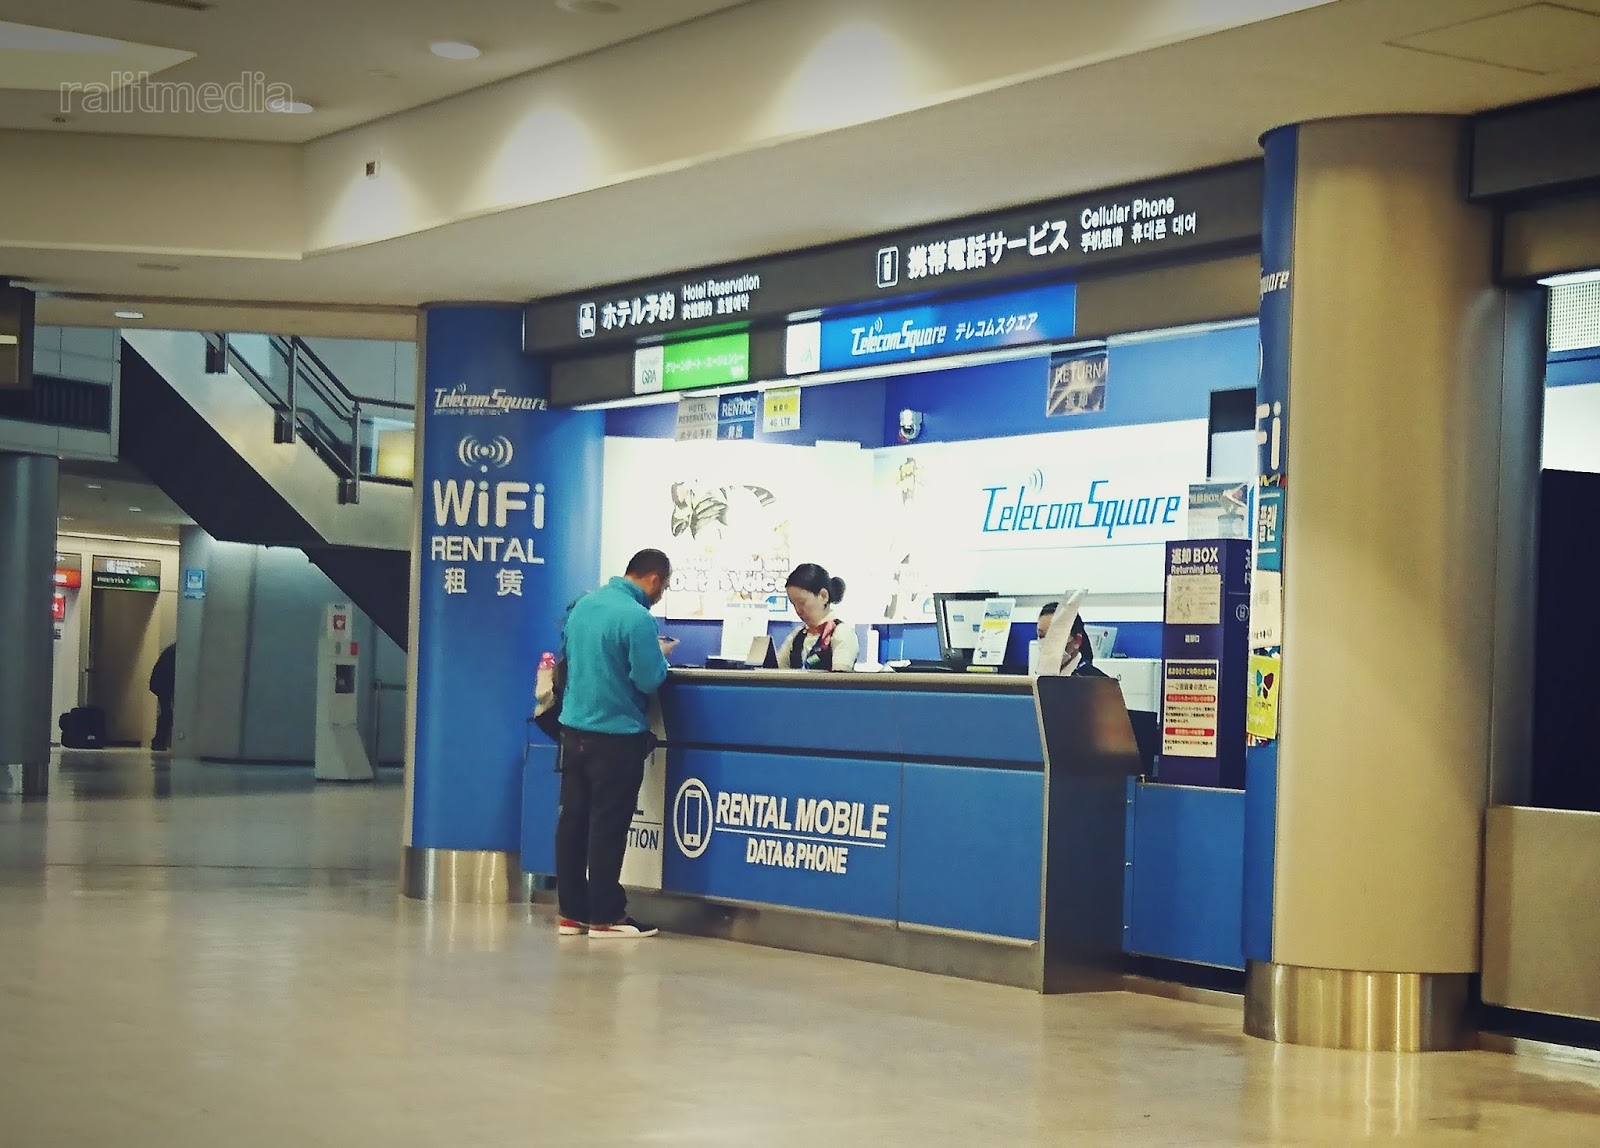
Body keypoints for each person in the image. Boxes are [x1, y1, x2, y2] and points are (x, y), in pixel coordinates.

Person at [555, 549, 678, 940]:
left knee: (573, 823)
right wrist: (660, 657)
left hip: (572, 732)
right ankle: (606, 916)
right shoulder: (636, 617)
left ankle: (571, 913)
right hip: (615, 737)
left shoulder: (583, 606)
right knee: (607, 827)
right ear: (654, 579)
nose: (660, 594)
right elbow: (648, 679)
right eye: (664, 586)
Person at [777, 563, 858, 672]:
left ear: (823, 596)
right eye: (793, 604)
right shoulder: (796, 636)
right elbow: (775, 671)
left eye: (801, 602)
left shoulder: (842, 633)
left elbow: (840, 679)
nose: (798, 610)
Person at [1036, 603, 1107, 678]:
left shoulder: (1098, 682)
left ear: (1077, 641)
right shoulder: (1040, 678)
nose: (1045, 644)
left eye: (1054, 637)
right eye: (1041, 636)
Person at [149, 643, 176, 753]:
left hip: (160, 683)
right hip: (162, 684)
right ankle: (158, 741)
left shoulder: (171, 651)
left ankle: (159, 741)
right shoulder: (175, 652)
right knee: (167, 713)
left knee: (166, 712)